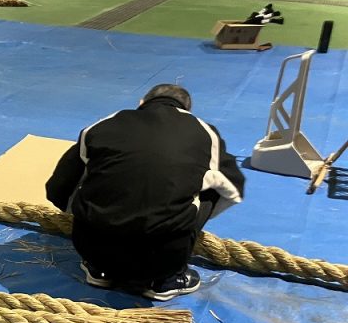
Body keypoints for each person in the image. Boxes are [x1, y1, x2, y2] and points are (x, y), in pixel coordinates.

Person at [45, 84, 245, 301]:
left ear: (142, 102)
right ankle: (165, 281)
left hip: (93, 250)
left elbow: (57, 188)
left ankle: (98, 270)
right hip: (161, 260)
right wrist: (191, 212)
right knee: (210, 187)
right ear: (186, 109)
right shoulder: (204, 132)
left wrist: (88, 215)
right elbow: (233, 189)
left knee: (93, 177)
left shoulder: (104, 125)